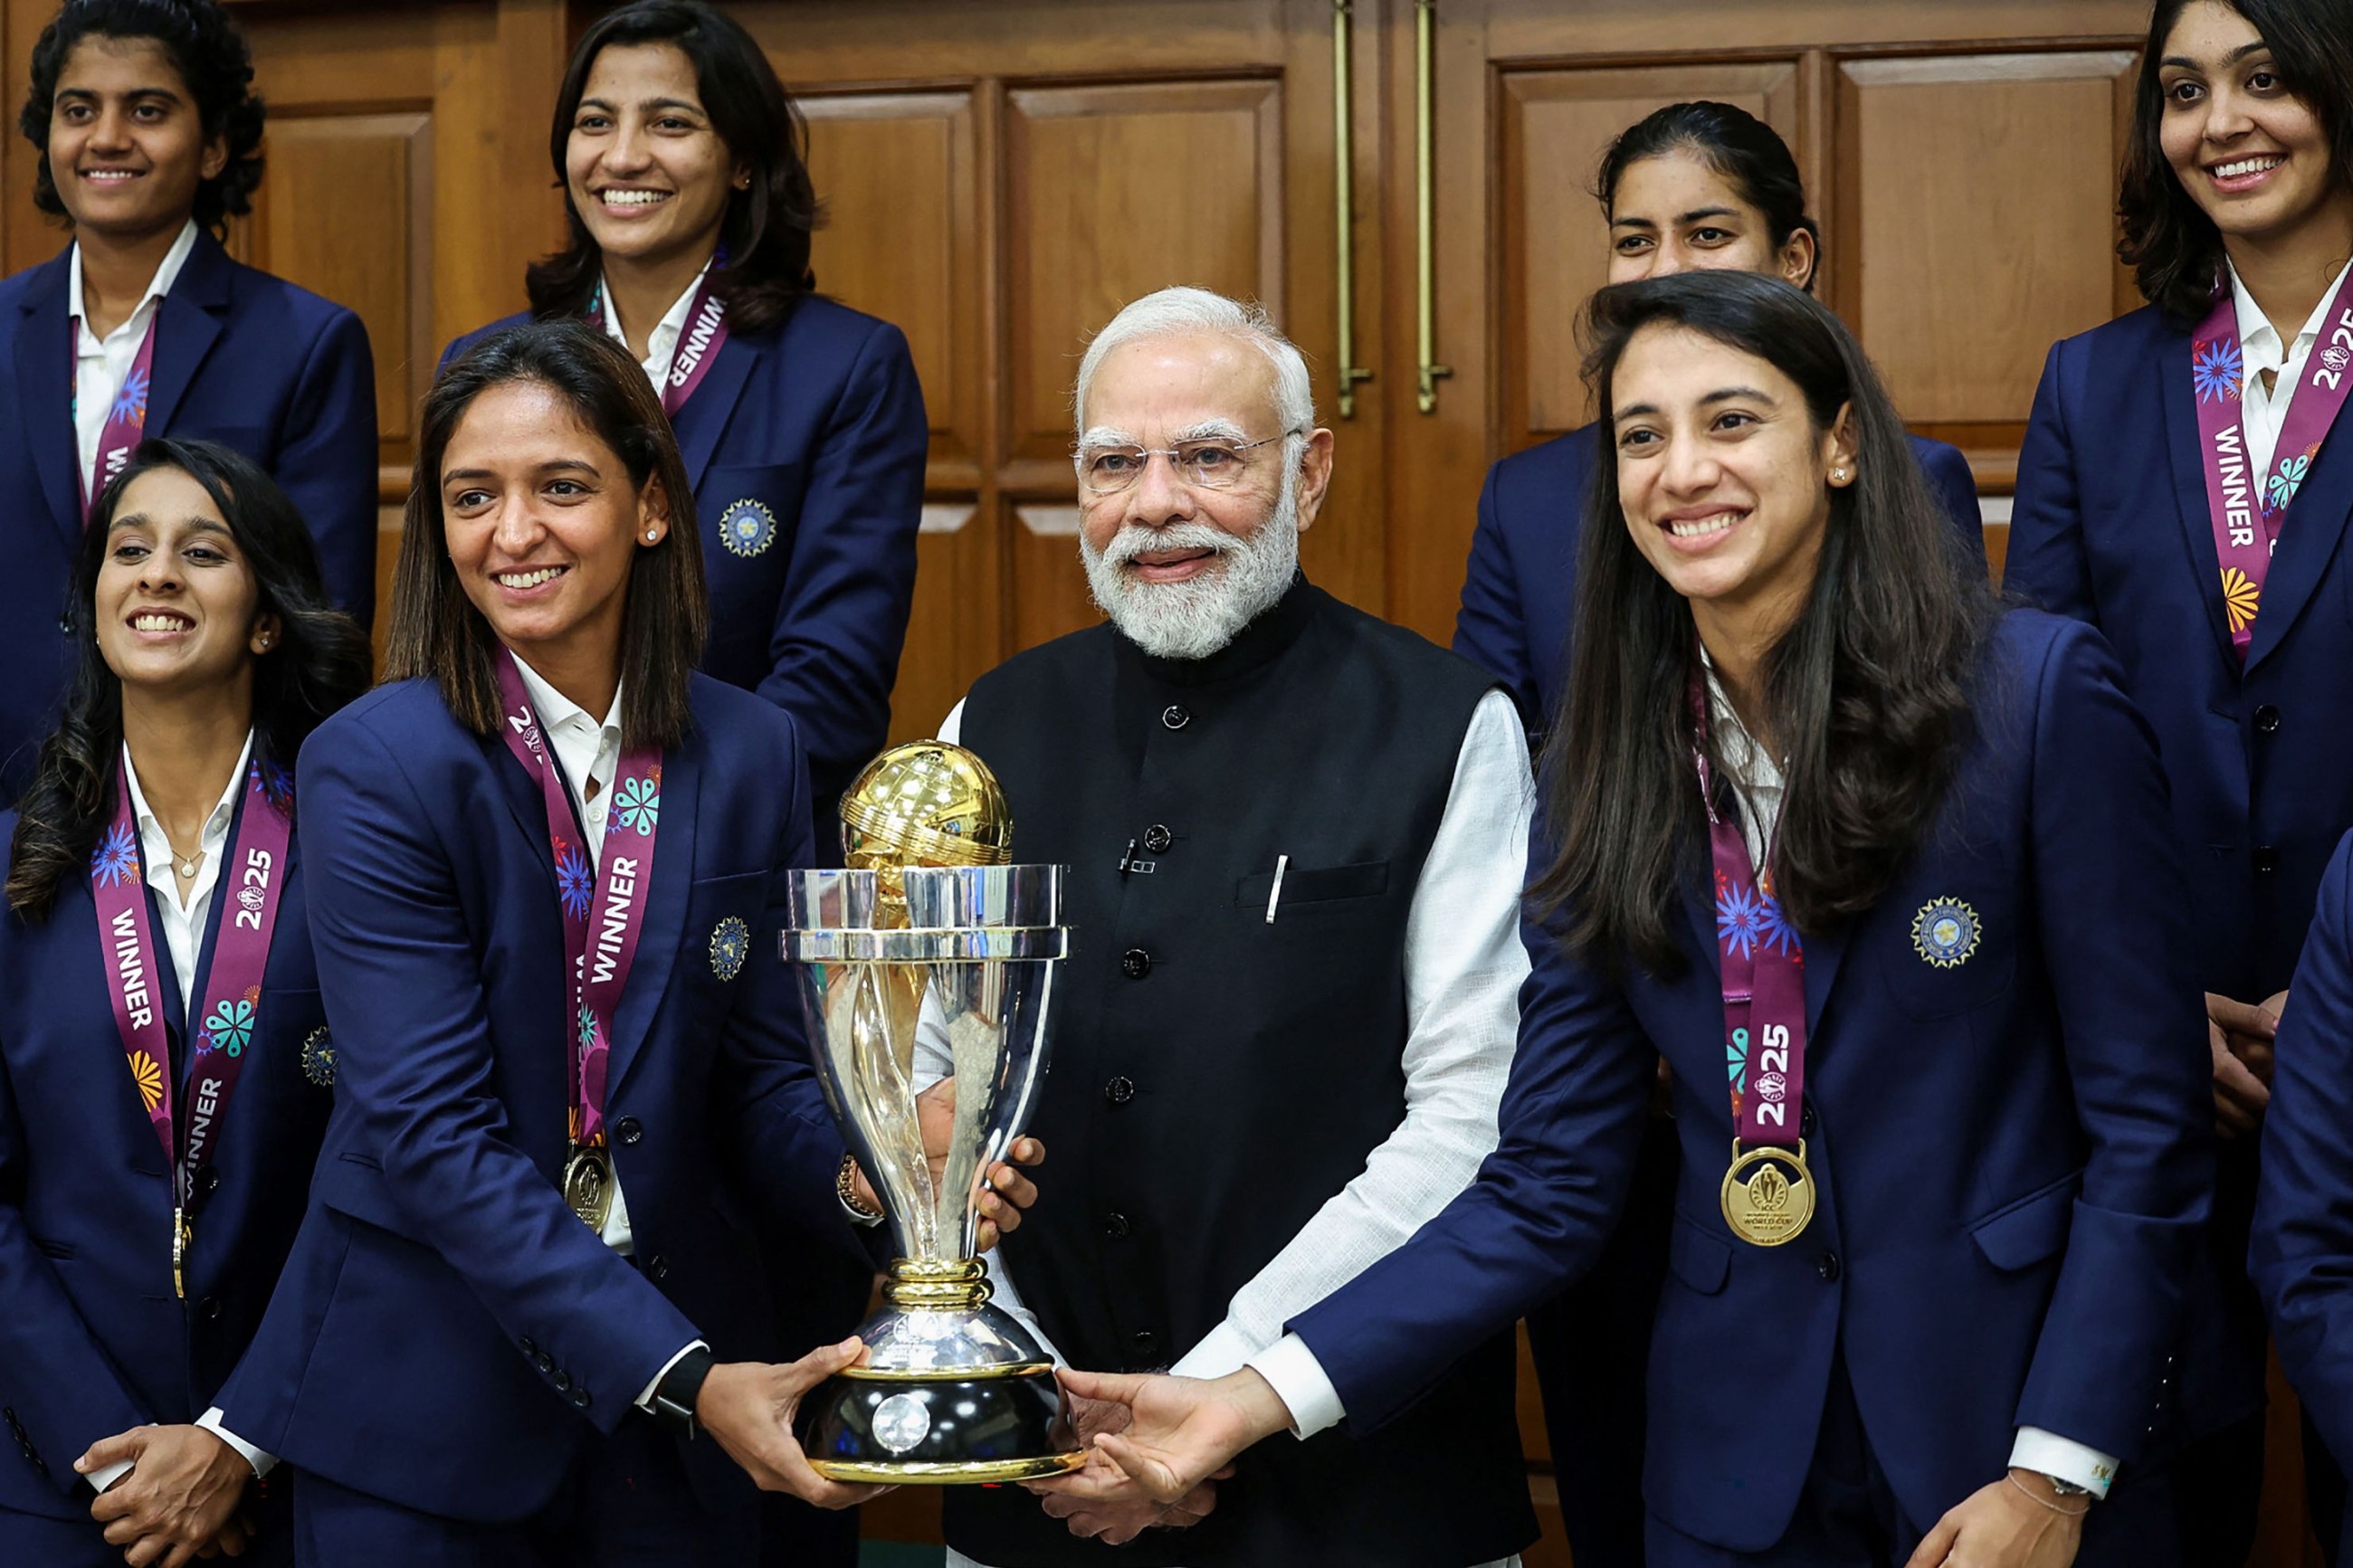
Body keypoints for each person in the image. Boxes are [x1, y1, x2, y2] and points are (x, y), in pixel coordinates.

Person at [1043, 272, 2216, 1568]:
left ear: (1837, 444)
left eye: (1731, 421)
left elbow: (2149, 1129)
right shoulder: (1602, 762)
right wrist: (1248, 1396)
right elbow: (1548, 1178)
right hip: (1730, 1463)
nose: (1682, 470)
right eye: (1641, 436)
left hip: (2005, 1445)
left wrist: (2057, 1470)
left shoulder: (2034, 700)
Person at [205, 321, 1034, 1568]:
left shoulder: (752, 749)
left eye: (561, 486)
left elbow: (760, 1073)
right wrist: (686, 1373)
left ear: (650, 506)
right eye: (472, 497)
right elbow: (430, 1134)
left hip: (683, 1434)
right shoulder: (372, 764)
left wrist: (877, 1167)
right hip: (429, 1409)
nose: (513, 532)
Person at [1453, 98, 1988, 1568]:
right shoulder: (1535, 497)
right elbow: (1506, 787)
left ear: (1794, 258)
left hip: (1862, 1075)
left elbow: (1933, 779)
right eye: (1634, 241)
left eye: (1708, 232)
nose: (1665, 266)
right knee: (1645, 1464)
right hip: (1635, 1080)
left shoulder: (1913, 483)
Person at [923, 286, 1537, 1567]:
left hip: (1356, 1484)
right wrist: (1045, 1394)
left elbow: (1470, 1121)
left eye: (1208, 456)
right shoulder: (984, 730)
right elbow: (930, 1098)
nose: (1155, 504)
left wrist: (1221, 1395)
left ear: (1308, 473)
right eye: (1114, 464)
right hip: (1047, 1473)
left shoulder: (1448, 725)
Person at [2003, 2, 2353, 1557]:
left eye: (2266, 79)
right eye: (2187, 90)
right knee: (2158, 1502)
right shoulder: (2093, 386)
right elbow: (2040, 728)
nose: (2223, 123)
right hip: (2162, 1061)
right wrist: (2147, 1002)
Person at [0, 437, 371, 1567]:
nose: (157, 572)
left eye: (202, 552)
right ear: (95, 602)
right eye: (130, 549)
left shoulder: (361, 854)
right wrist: (110, 1455)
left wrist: (237, 1437)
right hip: (66, 1485)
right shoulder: (11, 871)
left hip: (308, 1469)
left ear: (265, 620)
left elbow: (389, 1161)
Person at [442, 0, 926, 837]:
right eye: (596, 122)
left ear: (742, 160)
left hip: (732, 846)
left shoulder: (846, 366)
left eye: (669, 122)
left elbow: (832, 683)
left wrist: (647, 830)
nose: (623, 155)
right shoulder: (484, 365)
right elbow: (449, 633)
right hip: (512, 833)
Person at [0, 0, 378, 797]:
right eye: (79, 110)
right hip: (9, 789)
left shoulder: (306, 342)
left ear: (212, 147)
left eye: (147, 110)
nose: (107, 137)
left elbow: (321, 620)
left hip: (217, 804)